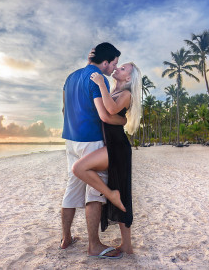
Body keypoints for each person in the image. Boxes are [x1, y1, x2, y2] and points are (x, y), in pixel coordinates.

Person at [61, 42, 125, 259]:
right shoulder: (98, 79)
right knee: (94, 193)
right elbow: (105, 115)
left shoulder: (70, 77)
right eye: (113, 63)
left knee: (72, 188)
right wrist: (123, 119)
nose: (113, 68)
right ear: (105, 62)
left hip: (70, 140)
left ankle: (66, 238)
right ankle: (94, 245)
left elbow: (63, 109)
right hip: (91, 140)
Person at [72, 59, 142, 255]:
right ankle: (126, 245)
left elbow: (110, 110)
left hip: (117, 147)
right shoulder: (113, 93)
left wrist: (101, 83)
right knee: (120, 189)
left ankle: (126, 242)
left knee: (80, 169)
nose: (117, 69)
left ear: (128, 77)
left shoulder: (126, 93)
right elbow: (108, 116)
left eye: (122, 68)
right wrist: (121, 119)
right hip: (109, 144)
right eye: (118, 66)